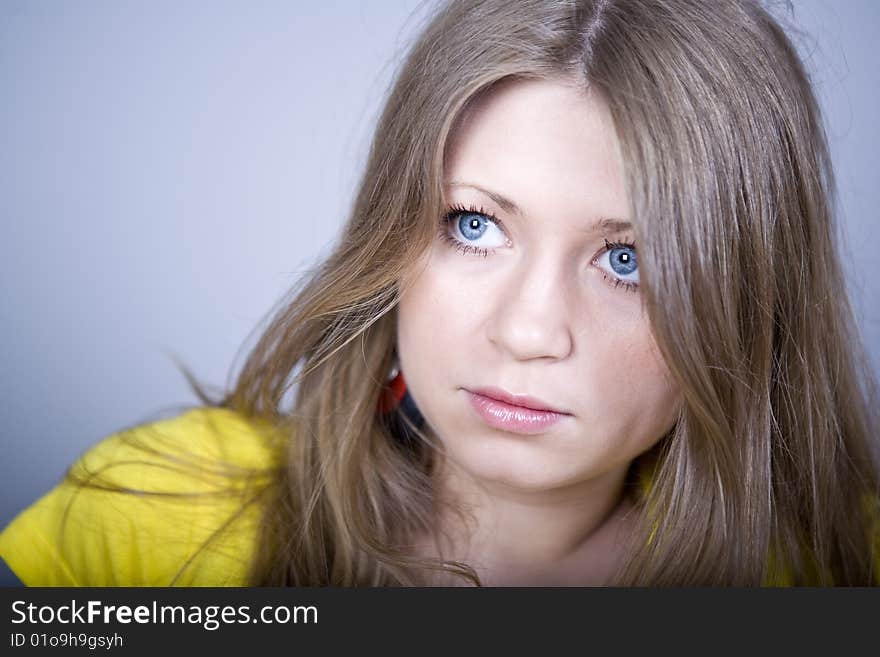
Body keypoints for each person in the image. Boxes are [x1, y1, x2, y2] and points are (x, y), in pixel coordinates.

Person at [1, 0, 878, 586]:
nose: (529, 330)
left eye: (629, 261)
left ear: (751, 296)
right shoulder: (151, 518)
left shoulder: (844, 570)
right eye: (473, 224)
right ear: (391, 238)